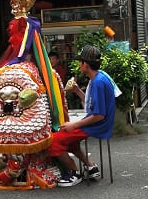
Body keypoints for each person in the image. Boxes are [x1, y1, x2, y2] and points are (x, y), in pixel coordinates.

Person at [48, 45, 115, 187]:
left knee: (53, 141)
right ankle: (91, 166)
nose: (79, 65)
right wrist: (78, 90)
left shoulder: (97, 82)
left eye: (80, 62)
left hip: (98, 124)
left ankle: (73, 173)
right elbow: (93, 106)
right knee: (69, 139)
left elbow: (99, 115)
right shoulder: (100, 76)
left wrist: (74, 124)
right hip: (98, 121)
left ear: (85, 64)